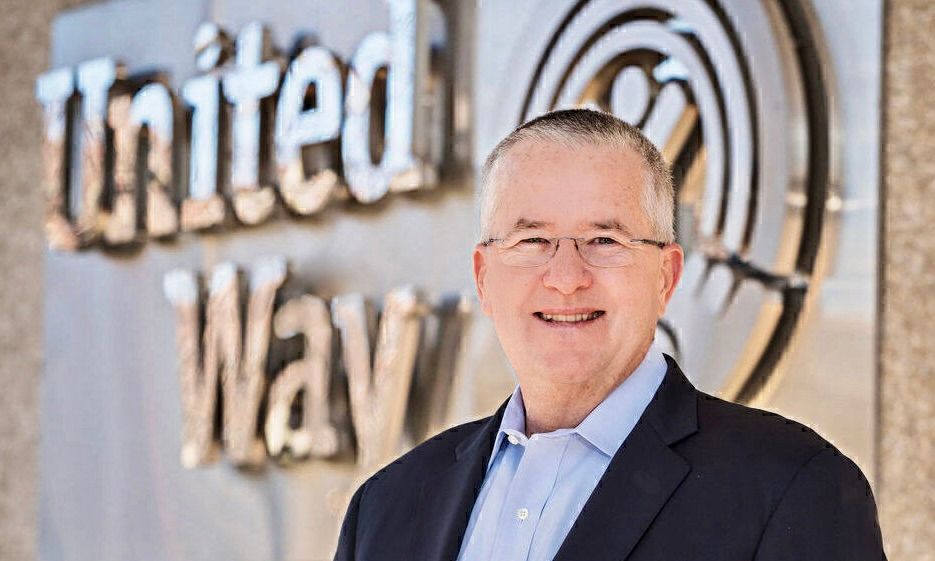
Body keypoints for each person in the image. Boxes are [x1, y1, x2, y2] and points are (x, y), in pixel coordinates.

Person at [334, 109, 886, 561]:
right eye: (532, 242)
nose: (567, 278)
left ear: (666, 276)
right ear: (484, 278)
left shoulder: (794, 489)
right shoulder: (385, 510)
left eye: (604, 240)